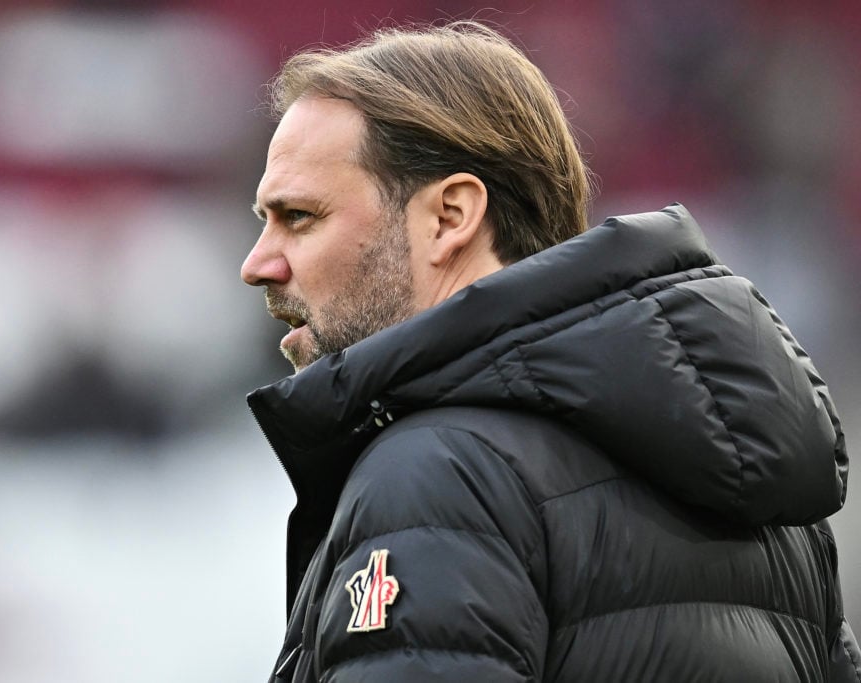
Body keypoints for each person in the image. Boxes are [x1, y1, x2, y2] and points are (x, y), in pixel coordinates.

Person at [240, 21, 861, 682]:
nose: (258, 263)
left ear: (450, 217)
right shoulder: (780, 517)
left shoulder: (440, 476)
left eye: (300, 216)